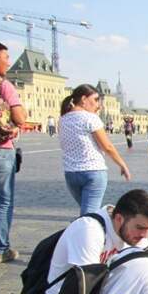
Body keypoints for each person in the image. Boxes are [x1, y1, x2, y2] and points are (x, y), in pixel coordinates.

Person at [44, 189, 148, 294]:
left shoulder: (131, 230)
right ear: (119, 219)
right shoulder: (89, 230)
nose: (144, 236)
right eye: (140, 228)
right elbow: (87, 284)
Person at [59, 85, 131, 215]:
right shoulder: (90, 118)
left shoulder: (63, 119)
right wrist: (122, 164)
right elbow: (107, 146)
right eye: (96, 99)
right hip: (92, 172)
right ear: (83, 99)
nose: (98, 104)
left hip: (71, 173)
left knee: (88, 212)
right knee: (89, 217)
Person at [0, 40, 26, 264]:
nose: (8, 63)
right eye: (6, 58)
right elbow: (20, 118)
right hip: (0, 148)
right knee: (3, 201)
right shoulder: (2, 85)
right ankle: (1, 249)